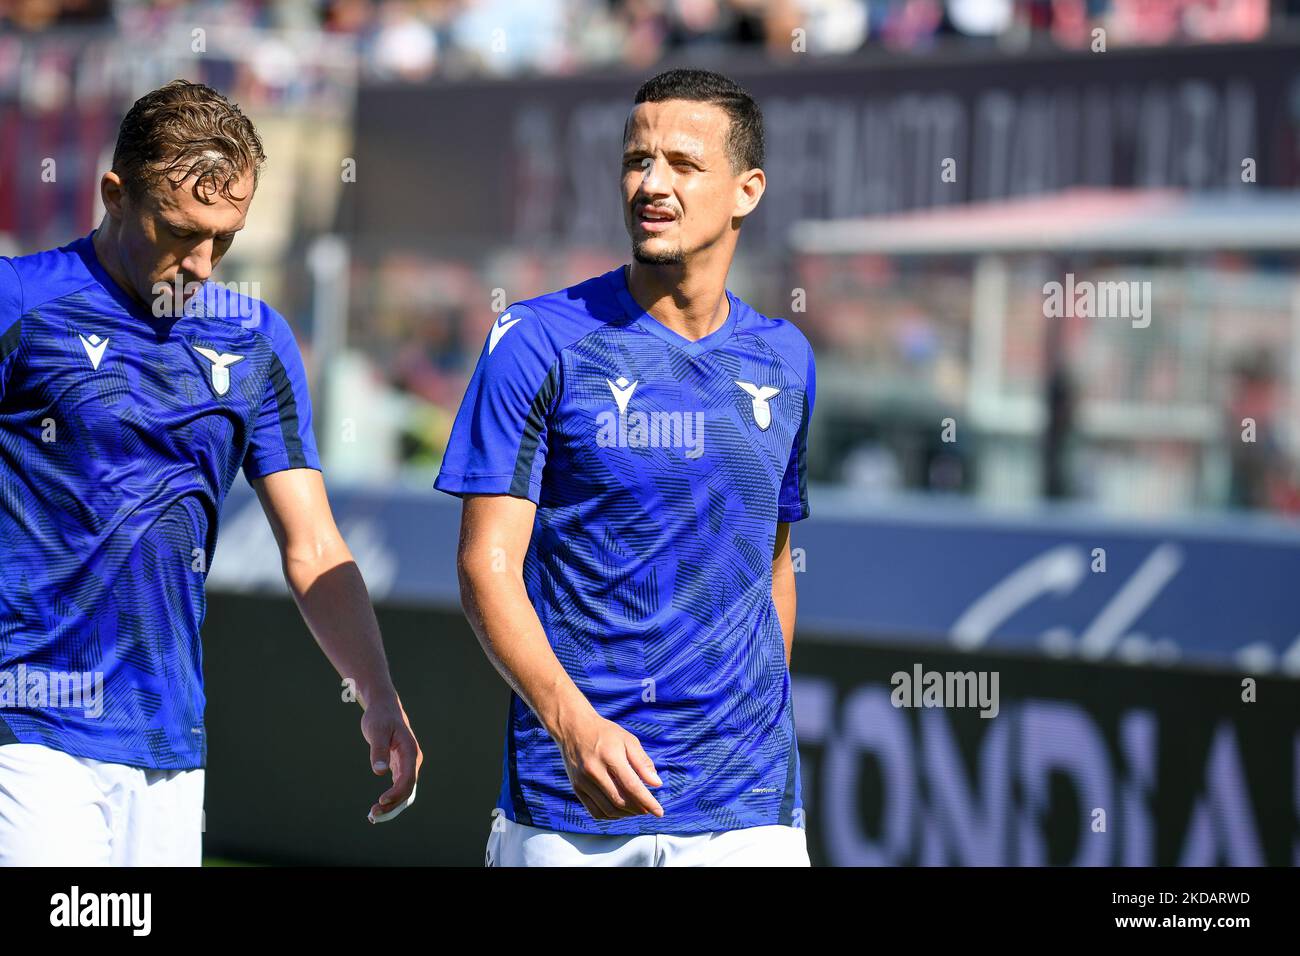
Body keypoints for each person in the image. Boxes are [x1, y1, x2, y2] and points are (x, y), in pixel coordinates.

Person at [0, 79, 421, 866]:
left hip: (168, 742)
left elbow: (314, 545)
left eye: (224, 239)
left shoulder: (257, 341)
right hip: (26, 729)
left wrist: (377, 693)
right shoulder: (20, 302)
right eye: (181, 231)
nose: (200, 262)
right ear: (114, 195)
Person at [436, 68, 815, 866]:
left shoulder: (787, 359)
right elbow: (485, 562)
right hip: (570, 808)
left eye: (683, 164)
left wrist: (751, 716)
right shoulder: (536, 340)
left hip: (746, 810)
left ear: (747, 191)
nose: (651, 183)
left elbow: (773, 562)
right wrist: (572, 725)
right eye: (637, 160)